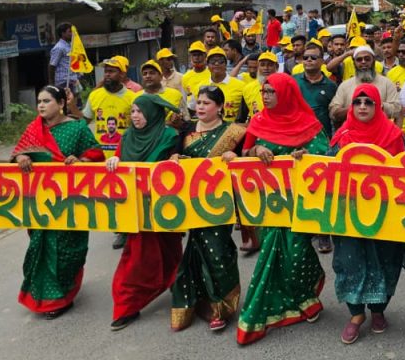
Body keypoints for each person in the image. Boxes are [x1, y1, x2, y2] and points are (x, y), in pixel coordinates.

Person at [235, 74, 328, 345]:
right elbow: (245, 153)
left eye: (271, 92)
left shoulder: (308, 122)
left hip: (299, 202)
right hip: (268, 203)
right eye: (263, 91)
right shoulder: (259, 121)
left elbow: (323, 154)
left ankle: (304, 296)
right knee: (271, 253)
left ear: (286, 94)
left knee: (297, 251)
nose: (265, 96)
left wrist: (304, 155)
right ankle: (276, 307)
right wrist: (257, 150)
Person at [328, 84, 405, 345]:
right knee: (349, 260)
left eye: (369, 102)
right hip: (348, 214)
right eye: (357, 102)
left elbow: (402, 176)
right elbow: (327, 173)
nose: (362, 106)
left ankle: (378, 311)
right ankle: (355, 315)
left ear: (378, 106)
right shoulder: (342, 136)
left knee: (385, 259)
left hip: (384, 215)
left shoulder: (393, 135)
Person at [13, 86, 105, 319]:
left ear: (61, 103)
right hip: (39, 202)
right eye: (39, 101)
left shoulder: (77, 128)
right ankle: (41, 295)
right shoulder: (34, 128)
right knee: (39, 247)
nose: (41, 105)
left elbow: (95, 154)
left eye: (47, 101)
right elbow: (19, 152)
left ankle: (63, 296)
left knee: (65, 249)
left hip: (69, 201)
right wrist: (21, 157)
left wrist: (80, 159)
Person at [169, 86, 246, 332]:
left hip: (221, 202)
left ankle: (221, 306)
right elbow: (175, 157)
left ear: (220, 107)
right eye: (198, 103)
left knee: (218, 250)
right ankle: (197, 302)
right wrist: (174, 159)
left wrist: (237, 158)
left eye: (206, 103)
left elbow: (247, 163)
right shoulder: (187, 131)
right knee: (195, 249)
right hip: (192, 201)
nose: (200, 107)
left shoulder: (234, 132)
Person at [106, 95, 184, 330]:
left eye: (140, 112)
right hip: (136, 210)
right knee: (138, 258)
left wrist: (176, 158)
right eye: (133, 112)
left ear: (152, 113)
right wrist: (114, 160)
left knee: (170, 251)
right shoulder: (127, 136)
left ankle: (176, 283)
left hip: (164, 209)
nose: (136, 116)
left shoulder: (169, 135)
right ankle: (127, 304)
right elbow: (118, 157)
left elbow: (180, 162)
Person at [329, 46, 401, 126]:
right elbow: (333, 111)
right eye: (359, 60)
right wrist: (354, 108)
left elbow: (397, 109)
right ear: (354, 63)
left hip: (379, 134)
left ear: (373, 61)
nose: (363, 62)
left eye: (367, 59)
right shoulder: (345, 85)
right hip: (353, 134)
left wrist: (378, 105)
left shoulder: (386, 83)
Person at [84, 56, 138, 154]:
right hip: (100, 157)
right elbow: (83, 123)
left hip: (125, 155)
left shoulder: (133, 98)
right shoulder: (94, 95)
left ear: (122, 74)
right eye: (106, 71)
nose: (107, 74)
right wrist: (72, 106)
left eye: (111, 71)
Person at [294, 43, 338, 138]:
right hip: (296, 135)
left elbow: (334, 116)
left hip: (322, 139)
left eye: (313, 57)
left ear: (322, 61)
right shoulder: (292, 81)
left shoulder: (331, 86)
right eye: (305, 57)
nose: (309, 60)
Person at [198, 47, 247, 123]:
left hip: (231, 131)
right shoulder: (201, 86)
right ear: (207, 65)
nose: (217, 64)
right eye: (213, 61)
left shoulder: (241, 86)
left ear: (226, 64)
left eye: (220, 61)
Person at [48, 22, 79, 93]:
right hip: (63, 83)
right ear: (63, 33)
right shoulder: (59, 47)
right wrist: (52, 84)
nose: (72, 34)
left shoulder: (70, 45)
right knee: (66, 103)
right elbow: (51, 65)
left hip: (73, 81)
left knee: (75, 103)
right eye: (70, 31)